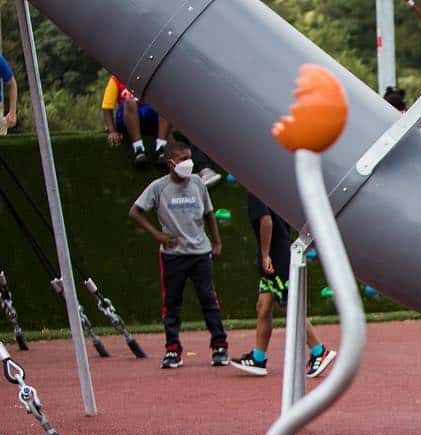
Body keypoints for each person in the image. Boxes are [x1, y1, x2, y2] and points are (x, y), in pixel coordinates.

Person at [128, 142, 228, 369]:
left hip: (200, 252)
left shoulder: (197, 184)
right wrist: (158, 236)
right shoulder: (158, 187)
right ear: (170, 162)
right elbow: (135, 212)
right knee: (171, 303)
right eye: (182, 159)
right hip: (173, 255)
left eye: (189, 158)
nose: (188, 163)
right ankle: (172, 350)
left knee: (208, 299)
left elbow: (209, 213)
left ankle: (219, 347)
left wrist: (217, 241)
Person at [229, 193, 337, 379]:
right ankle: (258, 358)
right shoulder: (270, 187)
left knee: (290, 306)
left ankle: (319, 351)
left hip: (276, 257)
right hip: (276, 254)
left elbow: (266, 221)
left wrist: (265, 255)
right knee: (263, 307)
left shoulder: (256, 189)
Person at [100, 75, 170, 166]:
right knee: (130, 102)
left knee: (164, 101)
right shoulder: (117, 78)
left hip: (149, 116)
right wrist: (112, 130)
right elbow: (107, 107)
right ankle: (138, 148)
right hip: (127, 117)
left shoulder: (152, 76)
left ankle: (161, 148)